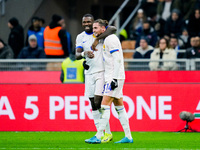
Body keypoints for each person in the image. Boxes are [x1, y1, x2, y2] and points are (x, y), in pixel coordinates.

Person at [86, 19, 133, 144]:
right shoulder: (106, 39)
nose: (94, 30)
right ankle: (128, 136)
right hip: (113, 76)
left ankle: (99, 135)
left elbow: (117, 59)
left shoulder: (110, 39)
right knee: (120, 107)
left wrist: (115, 78)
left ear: (103, 28)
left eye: (96, 28)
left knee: (104, 105)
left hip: (114, 76)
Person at [75, 14, 117, 144]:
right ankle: (105, 133)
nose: (87, 24)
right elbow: (76, 54)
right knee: (93, 104)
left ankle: (102, 134)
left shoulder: (99, 32)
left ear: (94, 23)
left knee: (99, 102)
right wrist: (83, 54)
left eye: (89, 22)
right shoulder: (80, 37)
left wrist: (96, 39)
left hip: (101, 72)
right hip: (88, 73)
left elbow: (113, 28)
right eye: (84, 22)